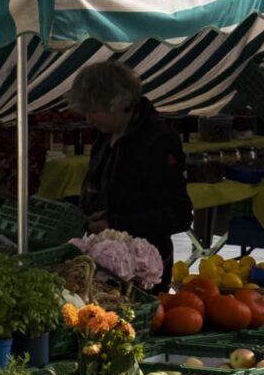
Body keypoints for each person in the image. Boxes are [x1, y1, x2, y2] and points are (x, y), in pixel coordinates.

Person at [63, 57, 192, 287]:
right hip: (106, 265)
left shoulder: (158, 140)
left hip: (143, 271)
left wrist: (116, 223)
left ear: (119, 103)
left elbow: (179, 214)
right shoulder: (106, 134)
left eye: (94, 110)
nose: (88, 118)